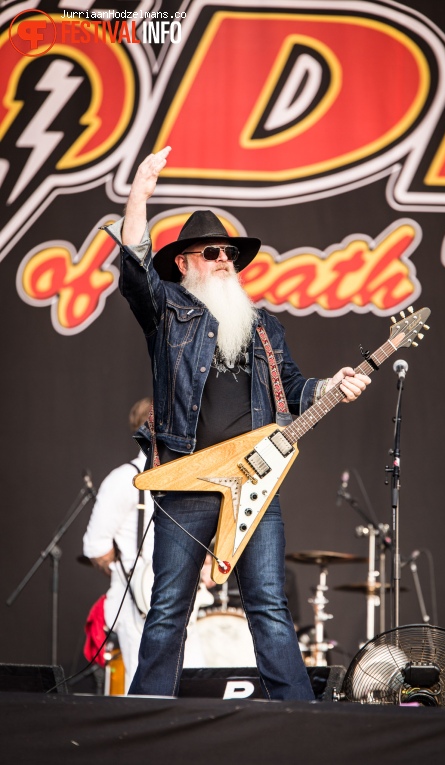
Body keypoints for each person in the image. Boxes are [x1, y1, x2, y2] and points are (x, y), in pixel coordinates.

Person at [103, 146, 371, 700]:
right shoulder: (169, 311)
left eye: (229, 253)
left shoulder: (264, 327)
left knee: (270, 603)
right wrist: (139, 195)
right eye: (211, 252)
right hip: (187, 481)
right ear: (184, 262)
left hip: (256, 481)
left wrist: (333, 386)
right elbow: (133, 270)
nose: (225, 260)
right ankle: (147, 712)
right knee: (170, 606)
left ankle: (299, 716)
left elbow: (294, 390)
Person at [83, 397, 154, 690]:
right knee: (143, 689)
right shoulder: (124, 479)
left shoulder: (185, 479)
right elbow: (96, 545)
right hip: (135, 606)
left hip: (181, 603)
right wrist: (133, 575)